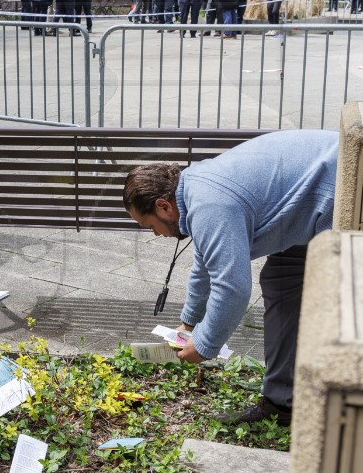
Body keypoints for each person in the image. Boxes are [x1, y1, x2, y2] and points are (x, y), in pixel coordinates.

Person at [123, 129, 338, 426]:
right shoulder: (195, 189)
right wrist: (189, 322)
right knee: (282, 279)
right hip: (311, 198)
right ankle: (282, 402)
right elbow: (206, 263)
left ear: (163, 206)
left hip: (340, 189)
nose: (156, 234)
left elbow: (233, 287)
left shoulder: (209, 205)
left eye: (150, 226)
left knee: (342, 303)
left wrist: (204, 345)